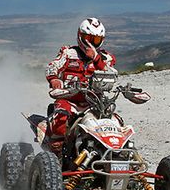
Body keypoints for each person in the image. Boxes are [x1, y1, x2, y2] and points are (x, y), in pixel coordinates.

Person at [45, 17, 117, 154]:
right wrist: (54, 79)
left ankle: (119, 153)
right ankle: (56, 158)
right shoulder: (68, 53)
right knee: (61, 118)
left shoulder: (106, 58)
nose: (91, 43)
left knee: (116, 122)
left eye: (95, 40)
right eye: (88, 39)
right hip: (69, 100)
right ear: (81, 37)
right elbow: (51, 67)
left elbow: (111, 73)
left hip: (96, 104)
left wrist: (95, 58)